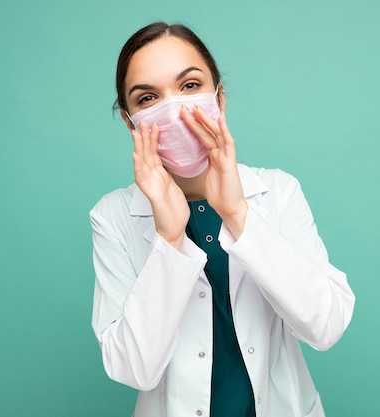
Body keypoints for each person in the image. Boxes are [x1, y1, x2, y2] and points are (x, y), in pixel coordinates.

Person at [90, 21, 355, 417]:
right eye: (147, 98)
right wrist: (169, 236)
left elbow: (326, 325)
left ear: (220, 97)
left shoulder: (277, 192)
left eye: (190, 85)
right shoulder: (112, 216)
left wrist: (238, 215)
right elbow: (133, 368)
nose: (174, 108)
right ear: (131, 123)